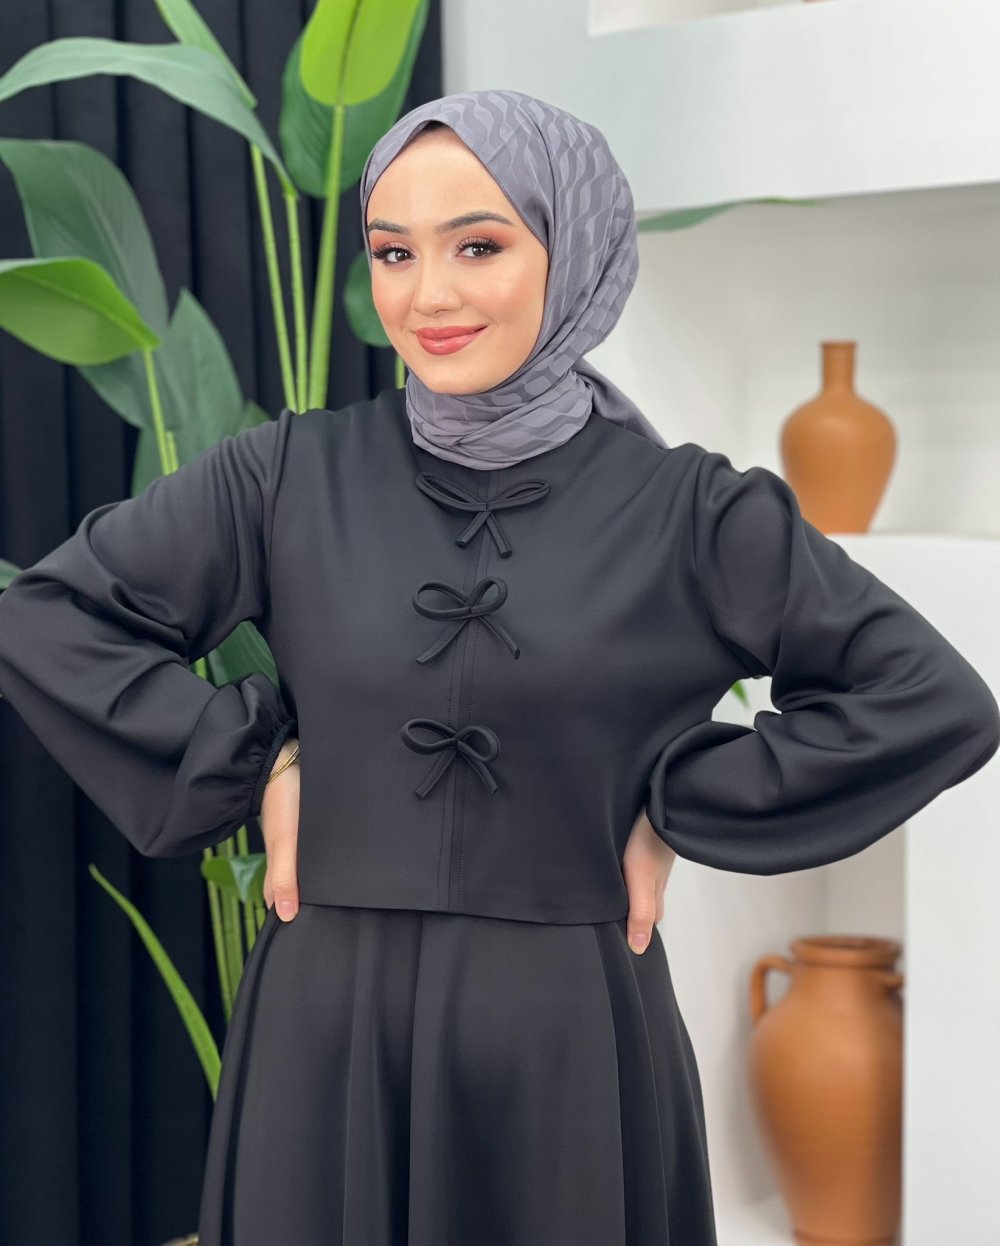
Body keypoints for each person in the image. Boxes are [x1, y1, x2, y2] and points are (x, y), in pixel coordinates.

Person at [0, 88, 997, 1246]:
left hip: (566, 1045)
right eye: (393, 252)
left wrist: (676, 799)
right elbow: (50, 617)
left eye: (477, 245)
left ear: (569, 252)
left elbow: (928, 699)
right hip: (327, 1037)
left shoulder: (691, 512)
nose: (427, 295)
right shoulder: (283, 476)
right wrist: (258, 764)